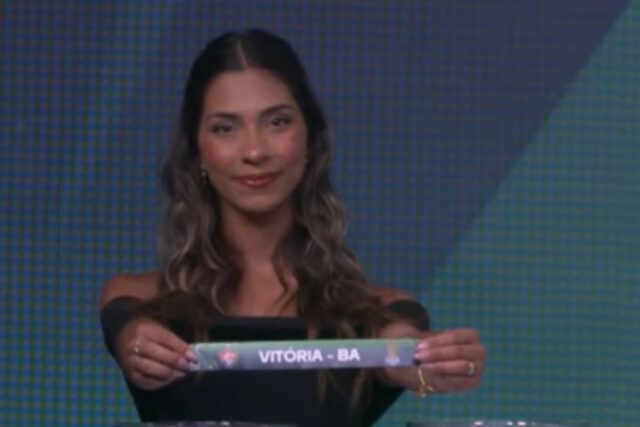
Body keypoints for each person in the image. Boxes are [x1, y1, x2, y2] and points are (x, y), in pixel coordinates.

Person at [100, 29, 485, 427]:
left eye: (277, 122)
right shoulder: (138, 302)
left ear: (312, 140)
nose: (255, 151)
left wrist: (431, 362)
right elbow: (129, 333)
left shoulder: (379, 313)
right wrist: (135, 343)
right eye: (225, 128)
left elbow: (399, 351)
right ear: (197, 150)